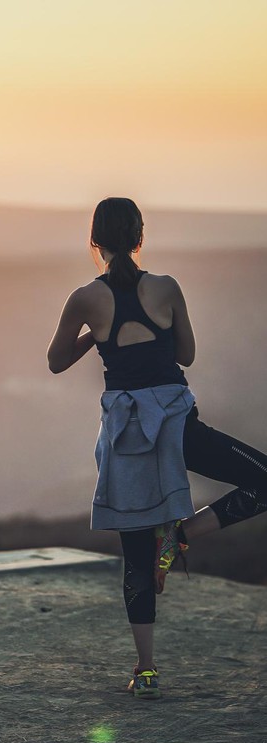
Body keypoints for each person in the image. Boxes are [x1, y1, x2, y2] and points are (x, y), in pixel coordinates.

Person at [46, 197, 267, 699]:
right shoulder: (167, 288)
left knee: (135, 552)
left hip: (126, 434)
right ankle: (184, 534)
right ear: (141, 237)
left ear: (94, 240)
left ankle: (145, 669)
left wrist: (97, 339)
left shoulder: (84, 298)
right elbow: (186, 354)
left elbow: (57, 361)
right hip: (176, 425)